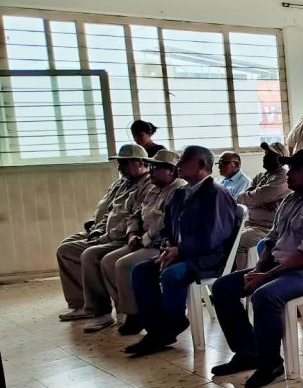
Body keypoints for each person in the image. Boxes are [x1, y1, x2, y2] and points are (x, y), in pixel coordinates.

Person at [211, 149, 303, 388]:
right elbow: (272, 239)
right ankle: (248, 352)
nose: (288, 174)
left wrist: (266, 276)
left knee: (265, 296)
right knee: (222, 287)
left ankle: (270, 363)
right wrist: (260, 268)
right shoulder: (291, 200)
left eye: (295, 170)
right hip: (278, 266)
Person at [128, 146, 240, 354]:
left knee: (171, 274)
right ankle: (156, 330)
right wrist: (167, 246)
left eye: (184, 160)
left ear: (201, 165)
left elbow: (213, 236)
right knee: (141, 271)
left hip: (208, 258)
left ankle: (172, 322)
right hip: (182, 253)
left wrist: (180, 251)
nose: (178, 165)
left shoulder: (216, 194)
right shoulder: (181, 193)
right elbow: (168, 227)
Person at [56, 144, 152, 322]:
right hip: (104, 231)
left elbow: (134, 219)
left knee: (90, 254)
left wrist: (104, 238)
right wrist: (97, 229)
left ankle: (99, 309)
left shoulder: (148, 185)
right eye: (119, 163)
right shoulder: (123, 183)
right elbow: (109, 211)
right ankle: (81, 303)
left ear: (140, 162)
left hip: (123, 237)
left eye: (124, 163)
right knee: (66, 249)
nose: (120, 167)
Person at [100, 149, 187, 336]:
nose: (151, 171)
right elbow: (136, 215)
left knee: (124, 264)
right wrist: (132, 234)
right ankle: (127, 308)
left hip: (161, 244)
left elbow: (165, 223)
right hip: (143, 241)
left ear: (171, 170)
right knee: (108, 261)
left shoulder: (179, 190)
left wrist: (144, 239)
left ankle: (136, 315)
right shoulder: (154, 189)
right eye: (151, 166)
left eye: (156, 168)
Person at [235, 142, 291, 269]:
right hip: (251, 224)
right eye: (265, 153)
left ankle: (242, 276)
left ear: (280, 159)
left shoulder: (283, 178)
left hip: (267, 228)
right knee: (228, 235)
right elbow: (247, 197)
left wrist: (256, 200)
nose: (264, 157)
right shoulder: (261, 176)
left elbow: (256, 197)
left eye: (269, 154)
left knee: (238, 243)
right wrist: (258, 201)